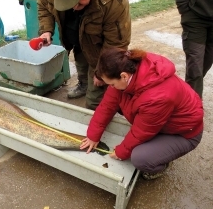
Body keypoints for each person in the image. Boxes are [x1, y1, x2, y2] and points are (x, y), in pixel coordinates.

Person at [80, 48, 203, 180]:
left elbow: (141, 132)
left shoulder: (158, 97)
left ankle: (160, 165)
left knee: (140, 159)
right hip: (160, 122)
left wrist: (121, 151)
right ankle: (160, 150)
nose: (111, 87)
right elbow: (107, 106)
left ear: (123, 76)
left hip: (183, 133)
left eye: (112, 84)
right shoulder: (126, 69)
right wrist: (93, 136)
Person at [37, 0, 131, 110]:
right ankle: (84, 84)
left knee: (95, 102)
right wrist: (46, 30)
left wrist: (101, 72)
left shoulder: (114, 2)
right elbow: (44, 6)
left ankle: (104, 106)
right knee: (81, 61)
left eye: (78, 2)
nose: (74, 7)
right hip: (78, 39)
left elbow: (116, 44)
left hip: (100, 47)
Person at [174, 0, 213, 99]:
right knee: (195, 67)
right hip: (195, 18)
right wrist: (184, 9)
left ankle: (185, 95)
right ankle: (193, 108)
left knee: (207, 61)